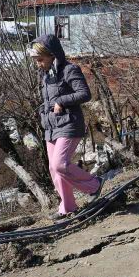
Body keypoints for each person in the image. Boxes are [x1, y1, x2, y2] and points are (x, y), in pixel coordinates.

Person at [30, 35, 103, 220]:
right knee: (54, 170)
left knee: (60, 164)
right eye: (36, 61)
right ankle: (67, 207)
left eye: (40, 60)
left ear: (52, 55)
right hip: (51, 126)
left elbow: (84, 94)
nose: (38, 64)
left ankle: (94, 185)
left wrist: (61, 101)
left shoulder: (70, 70)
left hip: (69, 124)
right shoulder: (46, 74)